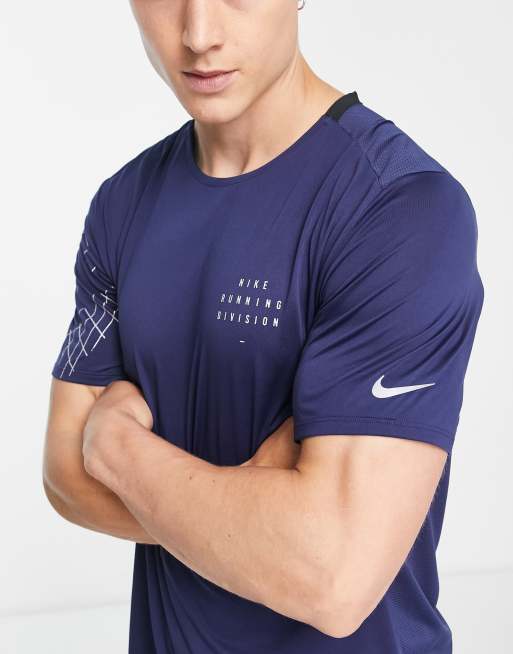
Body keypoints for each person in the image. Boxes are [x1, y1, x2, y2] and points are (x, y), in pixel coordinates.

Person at [43, 1, 484, 652]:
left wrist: (118, 449)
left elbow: (331, 576)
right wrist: (252, 511)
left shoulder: (399, 209)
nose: (198, 34)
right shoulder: (123, 203)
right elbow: (64, 477)